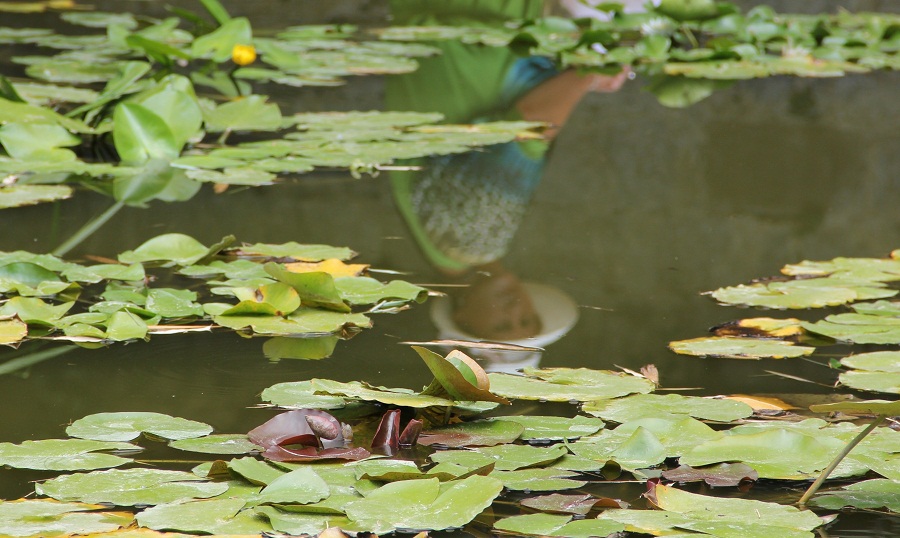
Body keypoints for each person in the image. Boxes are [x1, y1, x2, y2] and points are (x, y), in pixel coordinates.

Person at [387, 0, 628, 364]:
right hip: (437, 23)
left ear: (461, 320)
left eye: (501, 325)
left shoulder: (472, 242)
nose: (514, 309)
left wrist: (591, 74)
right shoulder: (436, 245)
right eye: (527, 319)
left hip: (486, 22)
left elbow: (528, 126)